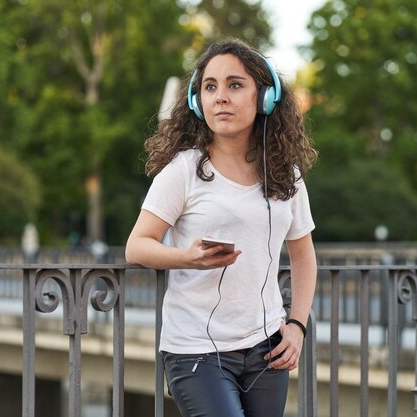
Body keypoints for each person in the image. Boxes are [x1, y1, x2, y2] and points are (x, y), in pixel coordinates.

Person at [125, 38, 318, 417]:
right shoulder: (183, 170)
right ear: (198, 102)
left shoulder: (286, 176)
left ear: (265, 98)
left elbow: (304, 256)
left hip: (267, 350)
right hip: (196, 351)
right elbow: (137, 246)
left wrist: (296, 326)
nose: (220, 97)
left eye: (234, 84)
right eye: (209, 87)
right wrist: (187, 258)